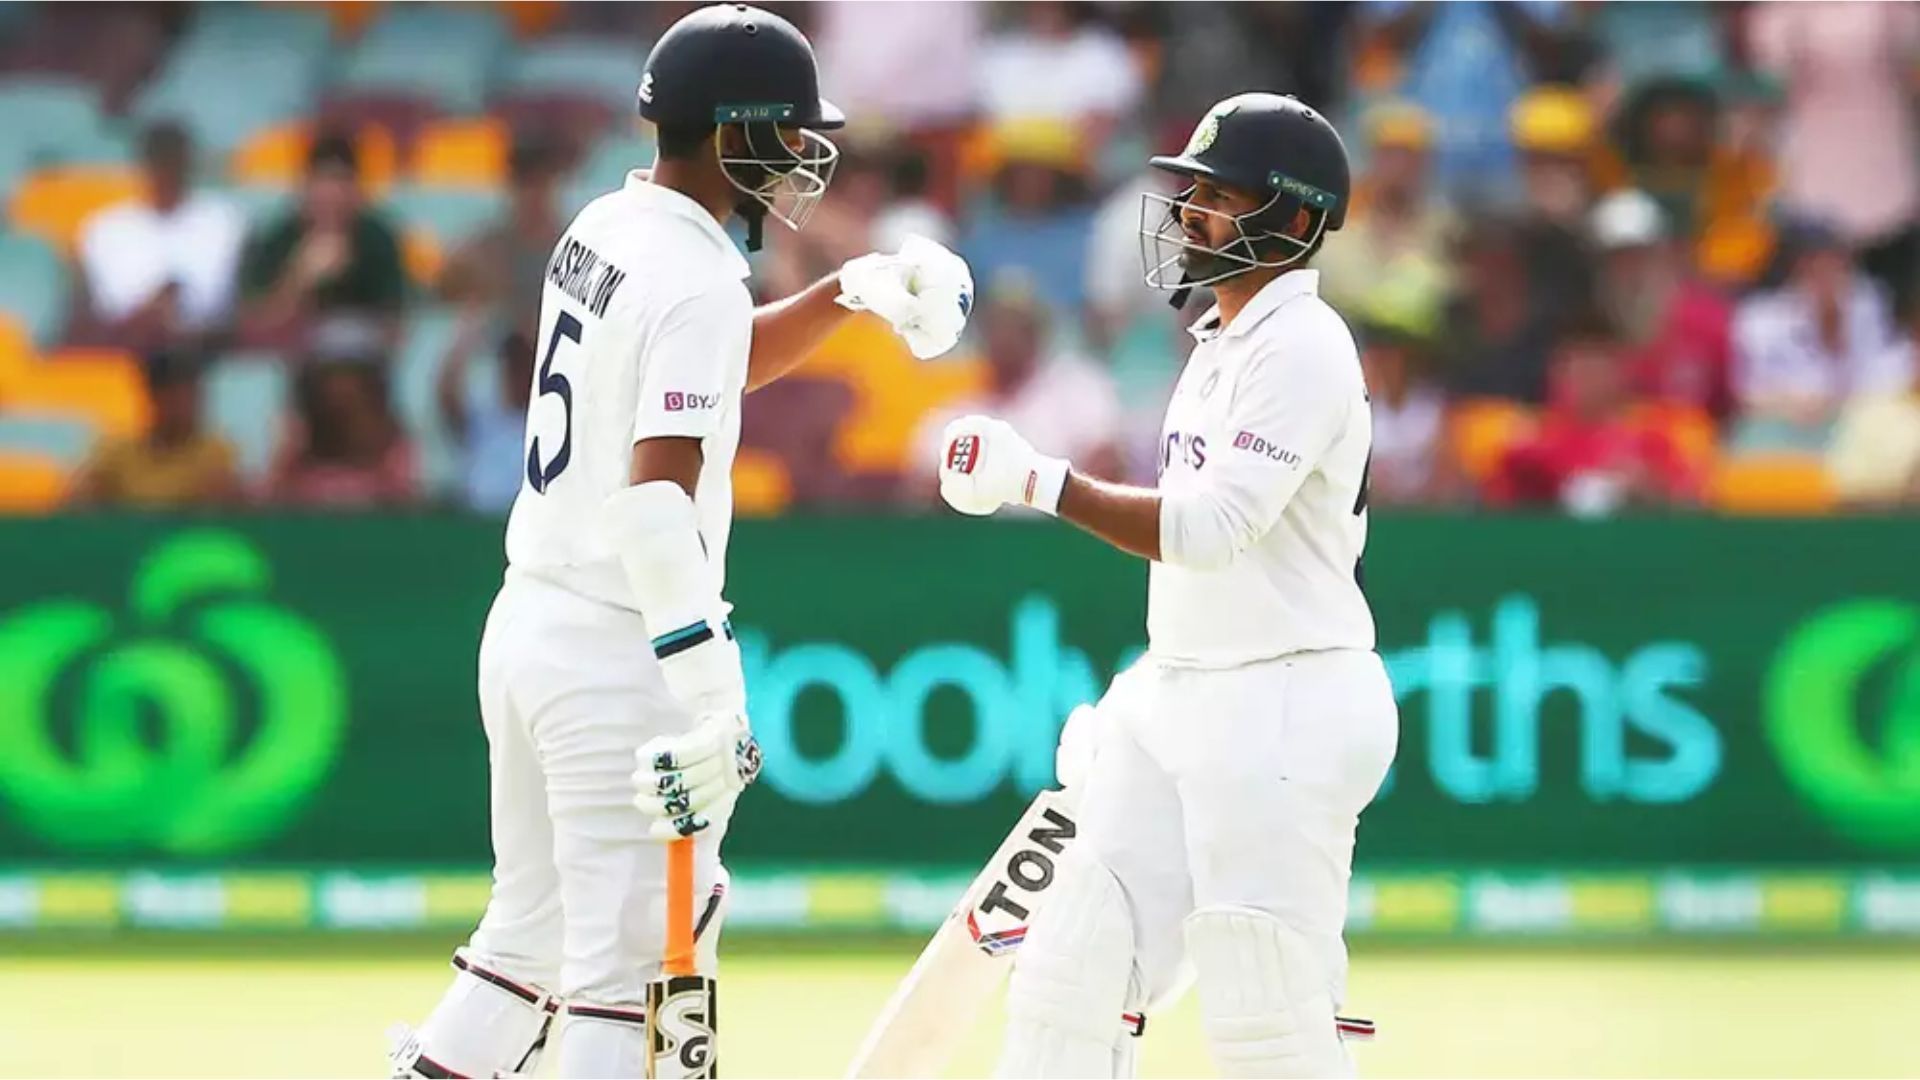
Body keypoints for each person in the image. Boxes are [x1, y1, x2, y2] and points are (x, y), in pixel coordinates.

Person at [387, 7, 975, 1078]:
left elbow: (701, 372)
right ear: (731, 133)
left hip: (530, 624)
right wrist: (710, 691)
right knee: (626, 988)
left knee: (521, 950)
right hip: (619, 648)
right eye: (789, 135)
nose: (803, 157)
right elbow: (656, 504)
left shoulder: (605, 226)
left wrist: (844, 292)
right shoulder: (697, 277)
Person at [938, 93, 1396, 1079]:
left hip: (1287, 700)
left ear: (1296, 219)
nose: (1190, 218)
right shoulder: (1221, 342)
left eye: (1219, 197)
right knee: (1068, 978)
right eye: (1190, 195)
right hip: (1195, 684)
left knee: (1268, 1014)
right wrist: (1149, 694)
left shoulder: (1304, 347)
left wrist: (1036, 480)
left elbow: (1209, 530)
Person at [909, 274, 1126, 499]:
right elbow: (926, 487)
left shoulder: (1079, 388)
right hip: (978, 528)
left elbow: (1107, 466)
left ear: (1036, 332)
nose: (1004, 337)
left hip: (1061, 525)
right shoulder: (956, 406)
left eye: (1015, 326)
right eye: (995, 326)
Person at [1485, 317, 1703, 514]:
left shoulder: (1655, 433)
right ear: (1557, 372)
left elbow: (1693, 502)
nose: (1587, 377)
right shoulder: (1533, 441)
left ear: (1623, 369)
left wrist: (1652, 489)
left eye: (1596, 365)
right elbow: (1493, 504)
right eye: (1577, 365)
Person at [1731, 218, 1904, 449]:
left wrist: (1836, 328)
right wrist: (1788, 403)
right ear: (1795, 266)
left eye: (1837, 262)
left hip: (1852, 429)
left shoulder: (1866, 305)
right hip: (1779, 432)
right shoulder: (1759, 318)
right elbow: (1743, 394)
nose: (1827, 272)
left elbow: (1889, 376)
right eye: (1813, 264)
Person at [77, 122, 245, 351]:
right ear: (144, 165)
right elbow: (109, 307)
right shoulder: (105, 228)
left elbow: (219, 303)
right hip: (128, 345)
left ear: (187, 164)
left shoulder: (224, 222)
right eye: (159, 163)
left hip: (205, 347)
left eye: (173, 162)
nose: (166, 173)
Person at [238, 133, 406, 347]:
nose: (330, 196)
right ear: (304, 189)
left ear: (357, 192)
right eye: (321, 184)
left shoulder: (377, 237)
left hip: (359, 356)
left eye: (340, 184)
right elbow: (255, 327)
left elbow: (394, 327)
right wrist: (298, 279)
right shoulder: (279, 237)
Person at [1591, 189, 1735, 420]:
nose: (1630, 268)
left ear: (1665, 253)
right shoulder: (1588, 331)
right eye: (1617, 258)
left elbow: (1732, 408)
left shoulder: (1708, 322)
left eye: (1640, 254)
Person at [68, 350, 238, 508]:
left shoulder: (215, 452)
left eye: (192, 396)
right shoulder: (115, 452)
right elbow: (76, 504)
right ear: (153, 397)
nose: (187, 407)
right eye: (176, 398)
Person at [267, 359, 416, 508]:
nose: (343, 418)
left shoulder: (396, 469)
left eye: (352, 404)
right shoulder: (293, 474)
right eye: (334, 407)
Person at [437, 316, 535, 515]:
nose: (519, 375)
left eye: (524, 366)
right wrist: (464, 341)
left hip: (521, 525)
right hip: (478, 522)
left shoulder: (546, 421)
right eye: (513, 366)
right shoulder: (485, 416)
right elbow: (446, 397)